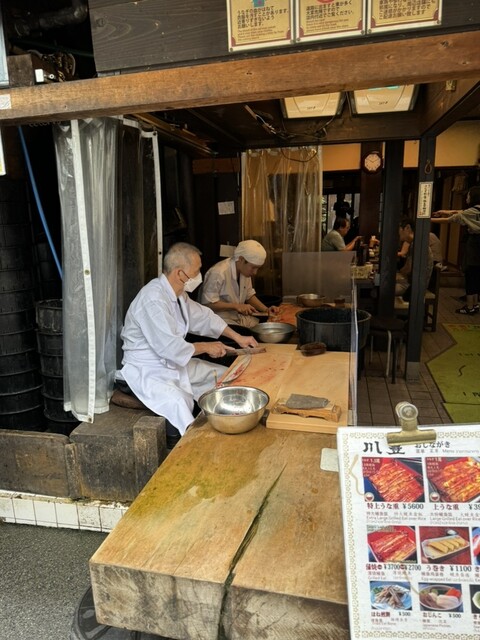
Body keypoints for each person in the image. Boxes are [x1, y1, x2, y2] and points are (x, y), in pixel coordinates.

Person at [115, 242, 259, 443]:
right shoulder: (153, 299)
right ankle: (184, 444)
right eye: (197, 271)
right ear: (179, 273)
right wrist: (206, 347)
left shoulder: (178, 296)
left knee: (223, 377)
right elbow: (171, 349)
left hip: (174, 363)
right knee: (178, 402)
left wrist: (238, 337)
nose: (200, 275)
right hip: (147, 370)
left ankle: (226, 420)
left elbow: (204, 317)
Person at [199, 239, 280, 329]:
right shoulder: (218, 272)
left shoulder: (244, 272)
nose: (255, 272)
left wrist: (266, 310)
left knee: (266, 328)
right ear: (241, 259)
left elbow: (249, 296)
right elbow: (207, 304)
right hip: (217, 320)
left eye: (258, 268)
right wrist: (236, 306)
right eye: (253, 268)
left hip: (237, 317)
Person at [432, 186, 480, 315]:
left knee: (470, 274)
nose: (466, 197)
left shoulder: (470, 212)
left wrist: (426, 220)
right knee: (476, 275)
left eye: (468, 195)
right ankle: (475, 304)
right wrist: (443, 211)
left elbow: (449, 220)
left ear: (473, 197)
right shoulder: (475, 210)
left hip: (474, 245)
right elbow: (458, 212)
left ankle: (469, 306)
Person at [395, 218, 433, 300]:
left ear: (407, 228)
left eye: (399, 228)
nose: (398, 232)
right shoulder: (415, 242)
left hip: (415, 287)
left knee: (386, 288)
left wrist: (397, 274)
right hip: (414, 282)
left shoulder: (417, 244)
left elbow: (408, 269)